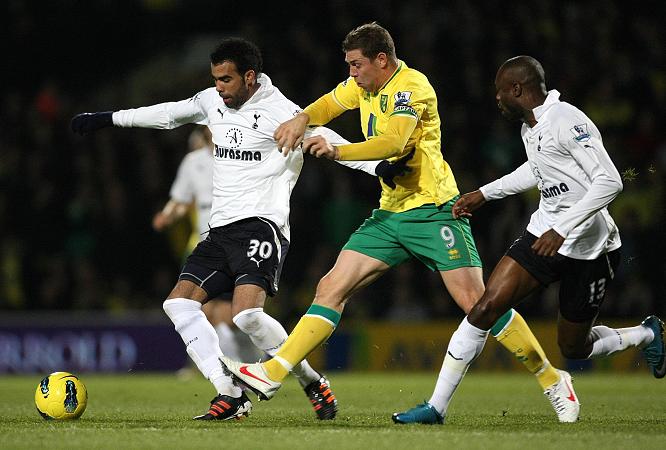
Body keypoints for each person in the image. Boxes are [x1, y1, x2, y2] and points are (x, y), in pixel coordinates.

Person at [219, 23, 580, 424]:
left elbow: (393, 143)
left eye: (356, 65)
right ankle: (273, 372)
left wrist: (337, 151)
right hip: (390, 214)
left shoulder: (413, 87)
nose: (351, 73)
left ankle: (552, 378)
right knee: (331, 287)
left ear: (381, 60)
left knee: (480, 305)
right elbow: (329, 104)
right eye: (348, 66)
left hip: (433, 210)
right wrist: (302, 118)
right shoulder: (363, 86)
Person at [71, 37, 384, 421]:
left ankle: (310, 380)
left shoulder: (280, 112)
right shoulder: (211, 101)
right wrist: (109, 118)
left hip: (262, 225)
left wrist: (380, 168)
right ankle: (229, 392)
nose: (219, 87)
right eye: (215, 79)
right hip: (218, 231)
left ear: (249, 77)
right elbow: (169, 113)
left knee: (246, 317)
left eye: (226, 80)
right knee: (178, 304)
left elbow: (330, 140)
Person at [426, 55, 665, 421]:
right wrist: (485, 193)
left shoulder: (566, 120)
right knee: (486, 306)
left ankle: (647, 334)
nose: (497, 98)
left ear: (517, 89)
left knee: (574, 347)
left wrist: (564, 227)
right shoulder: (530, 127)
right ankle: (435, 408)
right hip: (541, 235)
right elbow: (537, 170)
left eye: (500, 91)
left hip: (589, 249)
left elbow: (610, 180)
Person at [152, 127, 262, 367]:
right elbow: (182, 200)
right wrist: (168, 216)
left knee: (231, 314)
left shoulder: (240, 156)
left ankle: (243, 358)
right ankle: (225, 364)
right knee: (203, 310)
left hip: (236, 240)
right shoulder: (193, 162)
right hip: (202, 243)